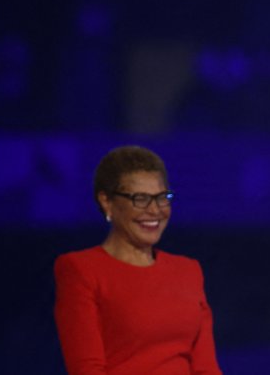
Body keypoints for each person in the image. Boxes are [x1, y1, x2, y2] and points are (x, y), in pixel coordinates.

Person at [54, 145, 223, 375]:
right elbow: (87, 369)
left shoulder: (189, 271)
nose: (154, 210)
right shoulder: (81, 270)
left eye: (162, 198)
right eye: (140, 198)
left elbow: (207, 369)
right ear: (107, 201)